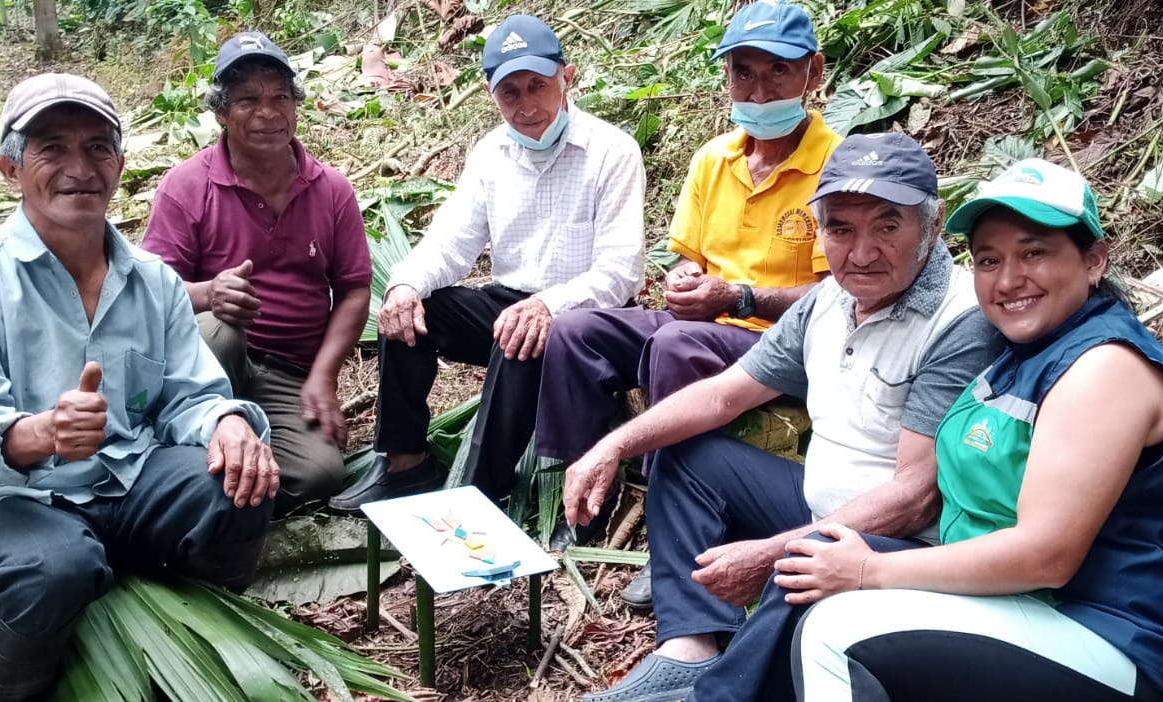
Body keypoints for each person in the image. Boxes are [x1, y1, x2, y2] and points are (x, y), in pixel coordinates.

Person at [566, 133, 1005, 702]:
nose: (862, 252)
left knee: (798, 569)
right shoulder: (827, 301)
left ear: (933, 223)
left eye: (887, 227)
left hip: (904, 547)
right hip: (821, 506)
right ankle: (689, 647)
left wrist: (773, 550)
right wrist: (611, 447)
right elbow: (722, 396)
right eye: (840, 229)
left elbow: (916, 498)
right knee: (688, 453)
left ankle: (715, 694)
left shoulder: (959, 321)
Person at [786, 159, 1163, 702]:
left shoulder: (1104, 368)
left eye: (1034, 253)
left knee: (837, 631)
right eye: (989, 260)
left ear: (1093, 259)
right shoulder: (1028, 351)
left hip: (1115, 638)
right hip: (1030, 610)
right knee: (815, 568)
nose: (1009, 280)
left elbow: (1045, 555)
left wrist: (870, 570)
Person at [0, 73, 278, 700]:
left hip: (126, 473)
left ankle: (190, 644)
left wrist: (228, 422)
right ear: (10, 167)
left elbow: (190, 394)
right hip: (14, 494)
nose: (79, 168)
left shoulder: (154, 281)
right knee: (53, 568)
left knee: (241, 485)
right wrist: (38, 434)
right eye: (52, 147)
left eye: (97, 147)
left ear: (119, 165)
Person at [533, 0, 840, 570]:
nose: (759, 92)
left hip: (784, 344)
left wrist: (739, 297)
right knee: (575, 331)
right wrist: (684, 280)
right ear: (727, 76)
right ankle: (575, 497)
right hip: (707, 324)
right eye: (744, 73)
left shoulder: (836, 168)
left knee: (675, 343)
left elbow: (837, 295)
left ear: (813, 73)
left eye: (778, 71)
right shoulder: (713, 159)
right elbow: (686, 260)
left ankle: (672, 530)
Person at [328, 14, 645, 511]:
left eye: (538, 86)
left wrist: (548, 306)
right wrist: (404, 286)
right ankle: (405, 462)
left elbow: (618, 272)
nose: (526, 106)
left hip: (588, 317)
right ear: (490, 93)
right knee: (412, 312)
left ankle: (478, 490)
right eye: (510, 93)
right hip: (511, 301)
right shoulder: (491, 154)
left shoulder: (612, 151)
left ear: (567, 77)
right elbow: (449, 244)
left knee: (520, 335)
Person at [142, 32, 371, 516]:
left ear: (295, 106)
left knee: (318, 475)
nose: (268, 113)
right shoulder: (186, 186)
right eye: (247, 100)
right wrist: (209, 293)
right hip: (207, 363)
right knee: (221, 329)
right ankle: (190, 454)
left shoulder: (332, 189)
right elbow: (147, 293)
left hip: (289, 371)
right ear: (221, 113)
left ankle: (230, 474)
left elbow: (353, 289)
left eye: (280, 98)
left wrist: (323, 376)